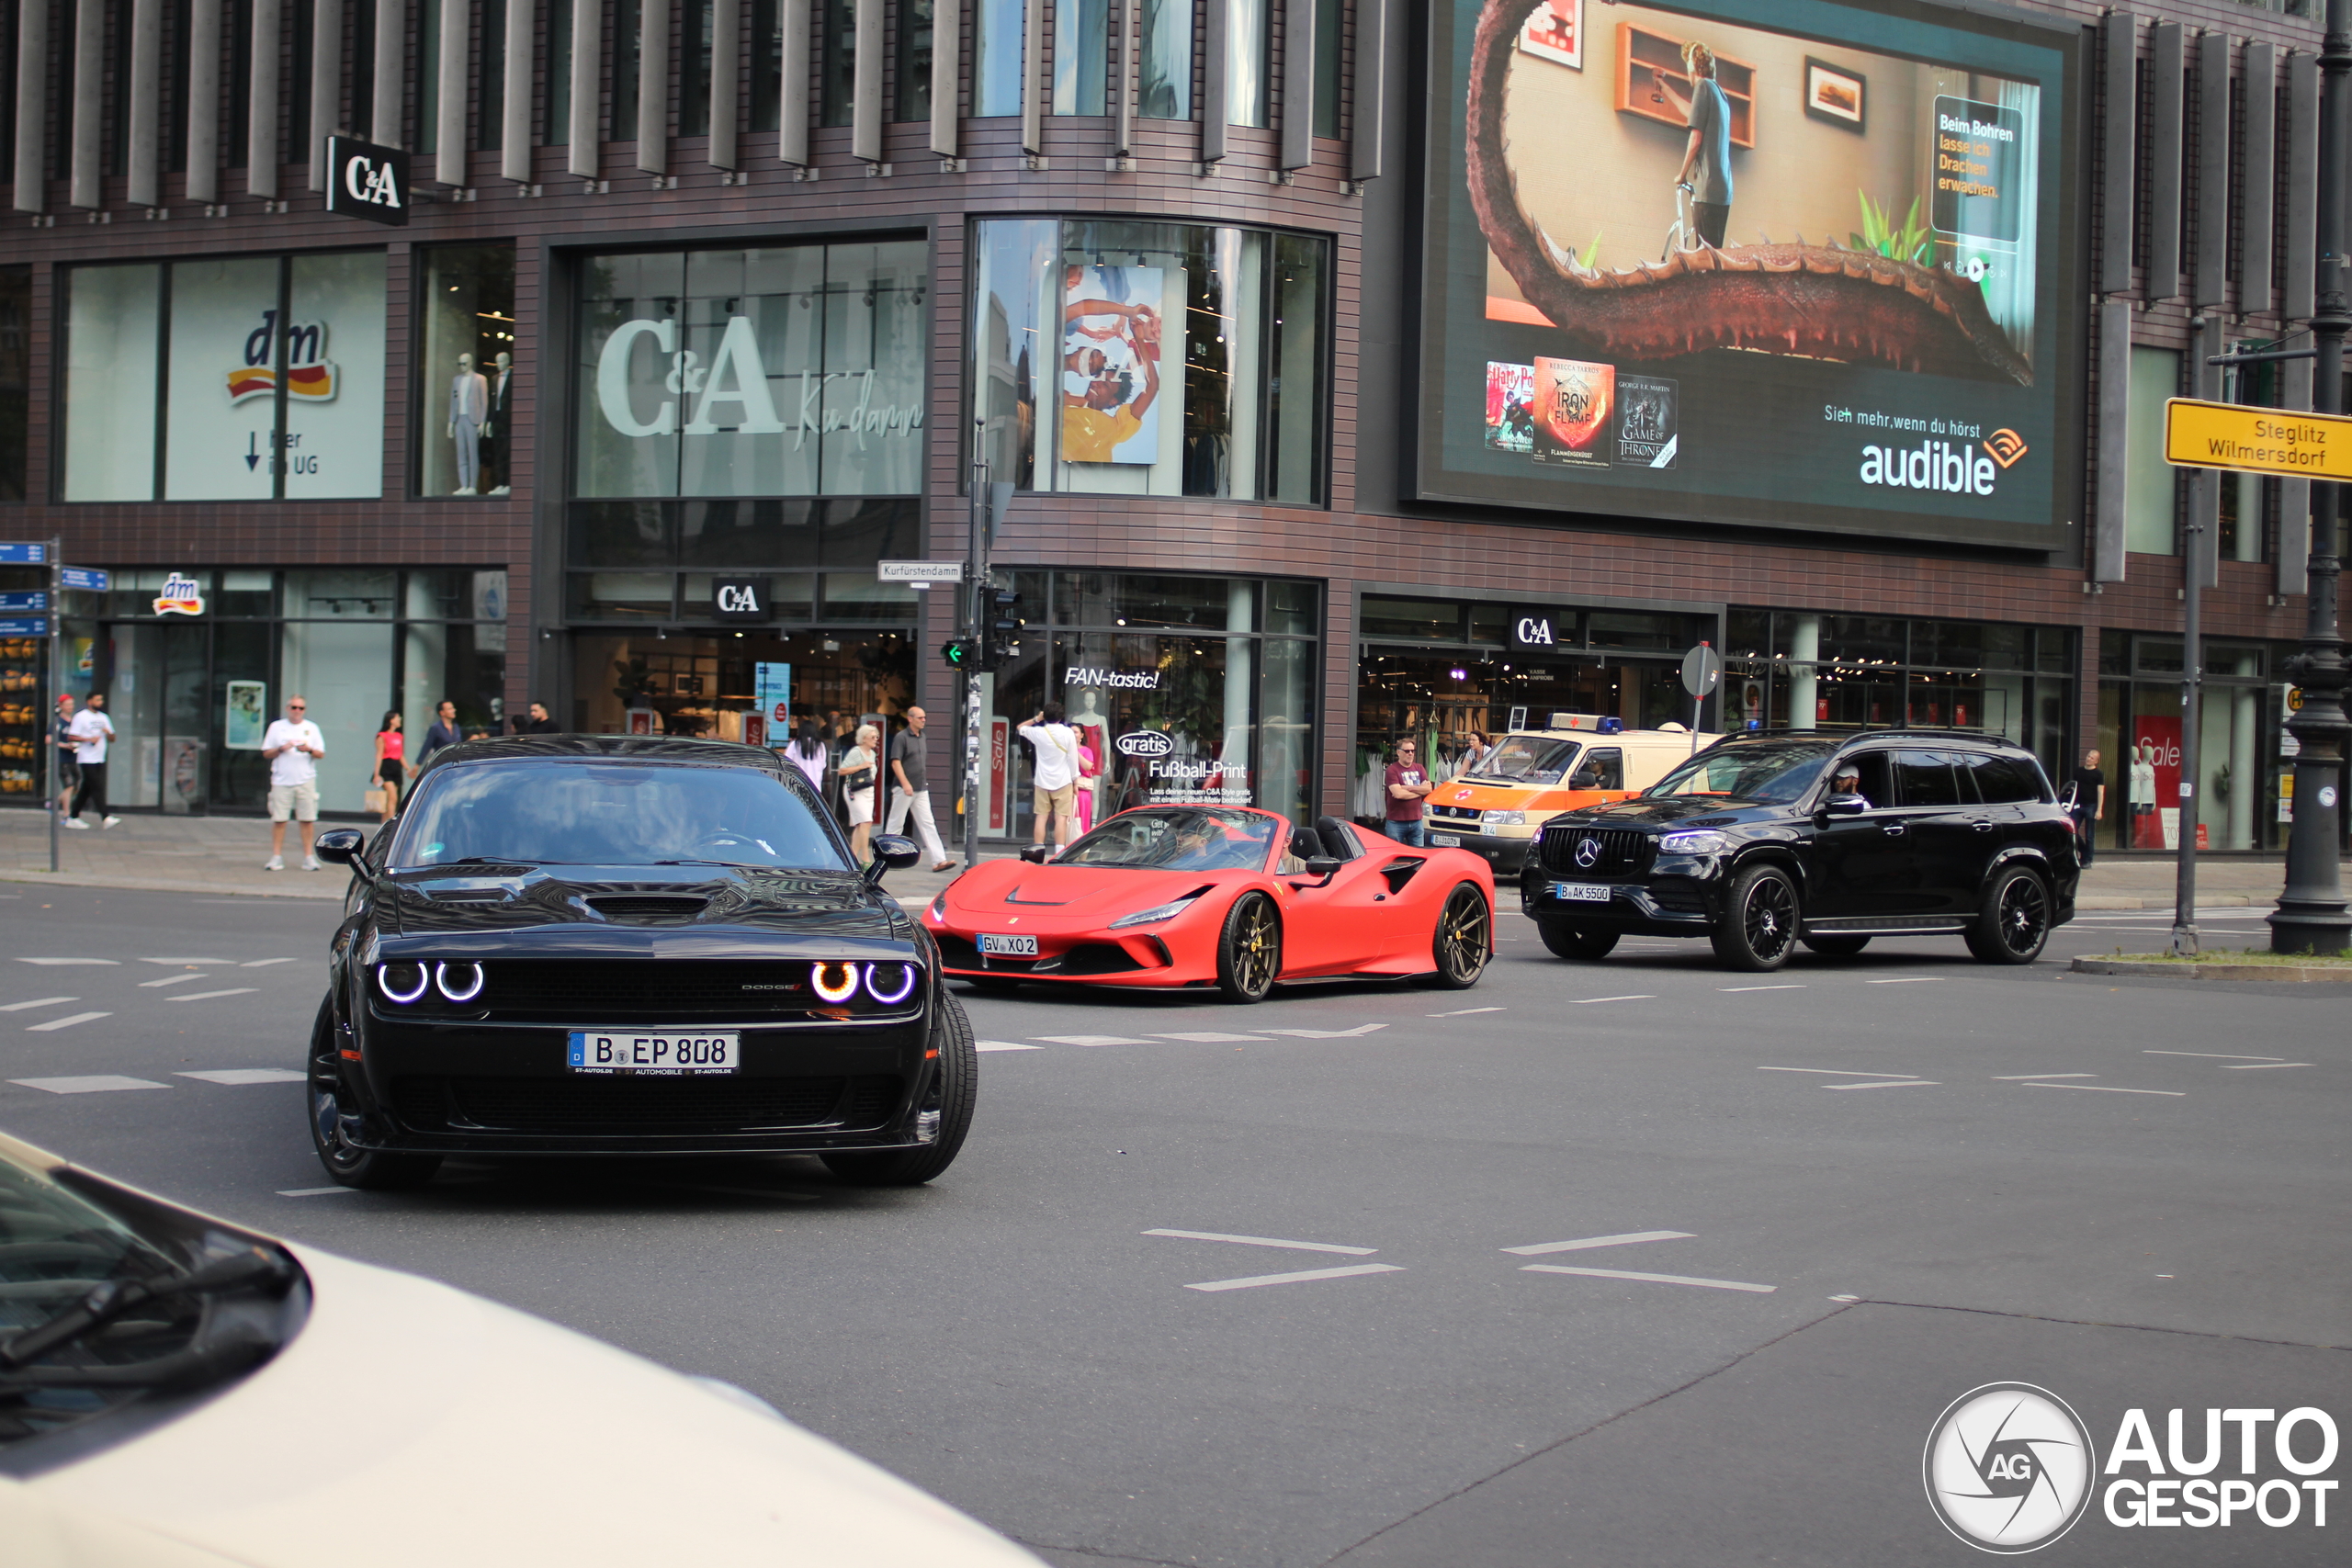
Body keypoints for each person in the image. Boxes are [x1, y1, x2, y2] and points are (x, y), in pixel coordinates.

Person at [1655, 40, 1734, 249]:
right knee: (1713, 253)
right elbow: (1692, 112)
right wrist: (1664, 88)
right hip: (1722, 190)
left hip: (1707, 187)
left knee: (1704, 258)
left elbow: (1695, 138)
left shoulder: (1702, 87)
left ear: (1692, 66)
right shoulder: (1718, 94)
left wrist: (1681, 174)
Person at [886, 705, 955, 872]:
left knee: (928, 823)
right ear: (910, 719)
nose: (923, 720)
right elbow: (895, 762)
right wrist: (905, 783)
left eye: (924, 717)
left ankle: (939, 860)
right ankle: (885, 858)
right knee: (896, 822)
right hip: (904, 788)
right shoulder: (901, 738)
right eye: (920, 718)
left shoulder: (922, 737)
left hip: (921, 787)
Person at [262, 695, 325, 870]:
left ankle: (308, 857)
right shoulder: (277, 727)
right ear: (287, 708)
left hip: (305, 779)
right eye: (294, 707)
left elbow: (321, 753)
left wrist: (309, 749)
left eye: (301, 708)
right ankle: (276, 856)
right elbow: (266, 753)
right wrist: (283, 748)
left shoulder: (311, 728)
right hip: (281, 779)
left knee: (307, 819)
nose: (297, 711)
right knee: (279, 819)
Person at [1019, 702, 1084, 855]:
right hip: (1063, 781)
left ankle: (1038, 852)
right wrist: (1075, 780)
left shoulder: (1039, 732)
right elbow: (1072, 758)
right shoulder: (1068, 733)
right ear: (1061, 717)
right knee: (1061, 818)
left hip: (1042, 781)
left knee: (1041, 817)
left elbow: (1020, 728)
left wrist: (1036, 719)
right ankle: (1058, 853)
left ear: (1045, 716)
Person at [63, 693, 119, 829]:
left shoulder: (104, 718)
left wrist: (108, 733)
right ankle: (105, 817)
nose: (100, 702)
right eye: (97, 700)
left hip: (99, 757)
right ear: (89, 701)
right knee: (96, 786)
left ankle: (73, 816)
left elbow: (113, 739)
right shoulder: (81, 717)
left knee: (86, 788)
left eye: (101, 699)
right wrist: (88, 739)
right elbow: (71, 737)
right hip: (86, 758)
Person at [840, 723, 880, 863]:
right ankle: (865, 857)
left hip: (868, 791)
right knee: (865, 821)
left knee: (861, 824)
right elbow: (842, 770)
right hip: (855, 791)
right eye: (873, 737)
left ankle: (852, 857)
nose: (876, 739)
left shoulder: (873, 754)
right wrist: (861, 766)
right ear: (864, 738)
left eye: (877, 737)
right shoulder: (856, 752)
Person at [1384, 739, 1433, 845]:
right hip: (1396, 822)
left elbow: (1428, 789)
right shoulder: (1392, 770)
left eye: (1412, 751)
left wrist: (1406, 788)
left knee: (1418, 855)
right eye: (1407, 751)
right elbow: (1398, 794)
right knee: (1395, 855)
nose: (1410, 754)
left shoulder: (1419, 768)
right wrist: (1420, 789)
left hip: (1417, 821)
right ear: (1398, 752)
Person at [2068, 749, 2107, 867]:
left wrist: (2099, 809)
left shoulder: (2098, 774)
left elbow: (2100, 792)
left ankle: (2088, 860)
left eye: (2092, 758)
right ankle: (2084, 852)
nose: (2089, 759)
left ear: (2096, 761)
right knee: (2072, 831)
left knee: (2089, 835)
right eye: (2089, 756)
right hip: (2078, 805)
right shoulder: (2078, 771)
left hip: (2091, 806)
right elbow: (2073, 788)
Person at [51, 694, 81, 823]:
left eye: (72, 704)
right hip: (62, 759)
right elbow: (49, 739)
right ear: (61, 706)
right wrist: (65, 746)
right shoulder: (58, 722)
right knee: (69, 785)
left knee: (77, 784)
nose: (70, 707)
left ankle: (54, 802)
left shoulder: (75, 721)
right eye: (67, 704)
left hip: (73, 758)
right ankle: (66, 814)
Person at [372, 710, 406, 823]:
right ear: (391, 720)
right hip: (386, 766)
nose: (399, 720)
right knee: (393, 798)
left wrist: (408, 768)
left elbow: (400, 755)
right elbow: (379, 755)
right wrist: (376, 774)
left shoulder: (399, 736)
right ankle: (391, 825)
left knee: (390, 800)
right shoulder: (382, 736)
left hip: (396, 767)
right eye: (397, 718)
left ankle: (384, 824)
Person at [782, 721, 828, 792]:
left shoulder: (794, 744)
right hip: (815, 786)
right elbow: (823, 765)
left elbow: (785, 763)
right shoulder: (820, 745)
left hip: (796, 785)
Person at [421, 699, 462, 763]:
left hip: (456, 764)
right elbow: (426, 747)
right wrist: (417, 765)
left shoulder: (456, 727)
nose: (454, 710)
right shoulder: (436, 728)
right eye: (450, 709)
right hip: (442, 764)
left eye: (453, 708)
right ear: (442, 713)